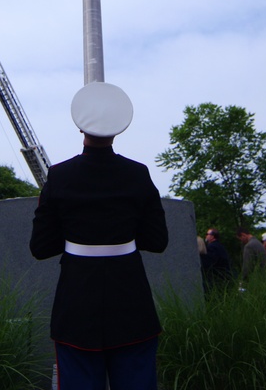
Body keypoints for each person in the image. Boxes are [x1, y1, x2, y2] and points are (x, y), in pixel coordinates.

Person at [30, 82, 168, 390]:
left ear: (81, 127)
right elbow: (158, 241)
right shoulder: (138, 174)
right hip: (133, 306)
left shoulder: (60, 176)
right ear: (118, 129)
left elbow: (40, 247)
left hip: (76, 308)